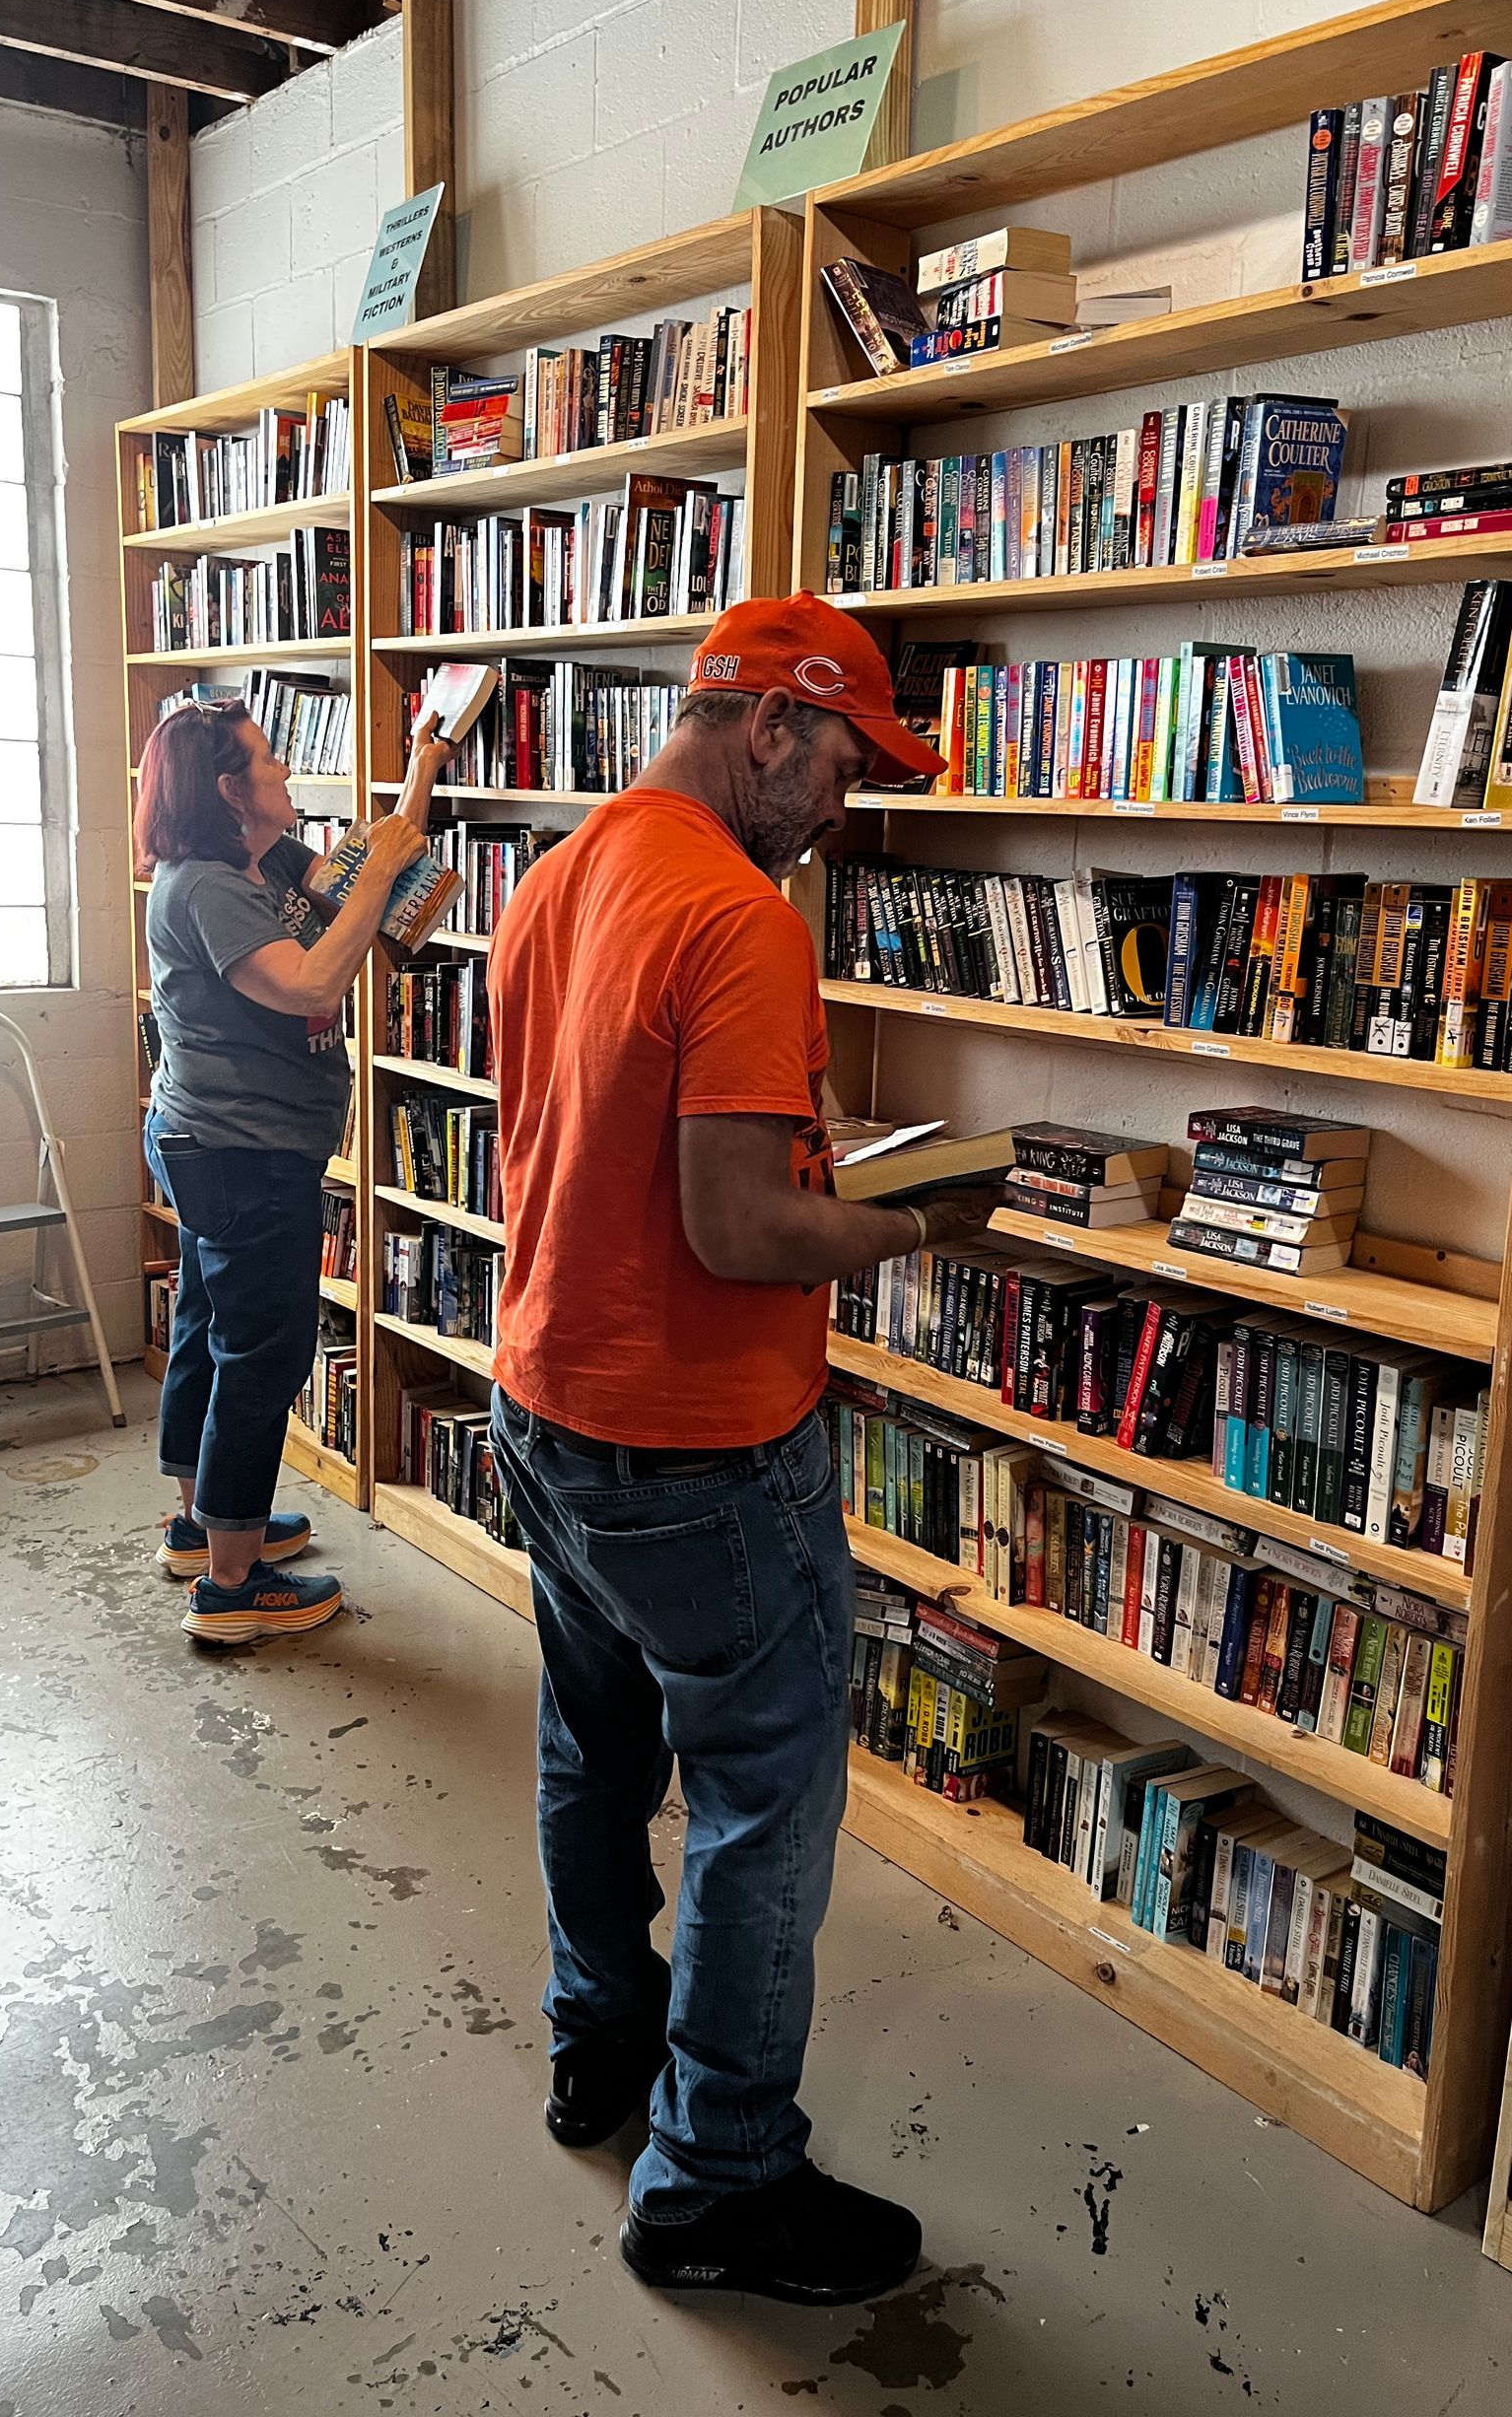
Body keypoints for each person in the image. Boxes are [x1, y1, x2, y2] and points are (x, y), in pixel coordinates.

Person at [487, 591, 997, 2308]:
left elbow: (586, 1149)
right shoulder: (743, 918)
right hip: (698, 1443)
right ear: (770, 725)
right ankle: (718, 2183)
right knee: (763, 1808)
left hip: (545, 1397)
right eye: (843, 764)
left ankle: (600, 2052)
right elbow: (731, 1224)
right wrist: (901, 1228)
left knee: (592, 1748)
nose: (842, 810)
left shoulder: (556, 877)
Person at [135, 698, 454, 1643]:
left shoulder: (263, 857)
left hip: (227, 1144)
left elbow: (395, 898)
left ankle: (205, 1526)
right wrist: (383, 866)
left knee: (208, 1326)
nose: (286, 776)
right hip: (238, 1153)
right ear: (230, 791)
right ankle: (232, 1586)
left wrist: (426, 772)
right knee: (261, 1354)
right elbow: (314, 981)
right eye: (268, 764)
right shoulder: (203, 889)